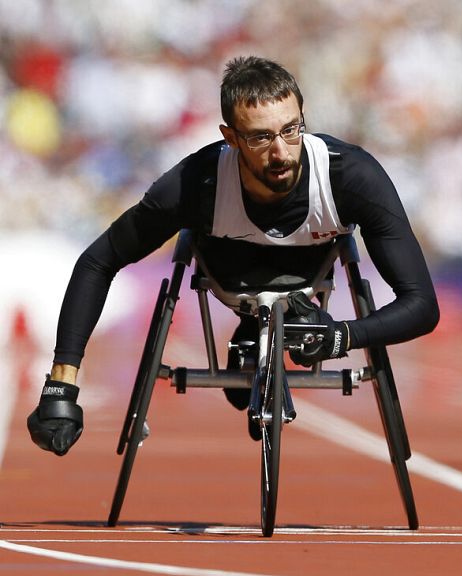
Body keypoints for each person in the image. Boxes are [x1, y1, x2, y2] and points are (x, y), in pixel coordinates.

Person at [27, 56, 440, 456]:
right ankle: (250, 330)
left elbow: (422, 305)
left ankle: (262, 337)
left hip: (308, 287)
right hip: (231, 282)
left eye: (291, 130)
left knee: (313, 318)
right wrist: (62, 383)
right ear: (231, 138)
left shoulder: (351, 176)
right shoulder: (195, 182)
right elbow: (99, 261)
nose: (280, 152)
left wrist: (343, 337)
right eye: (260, 137)